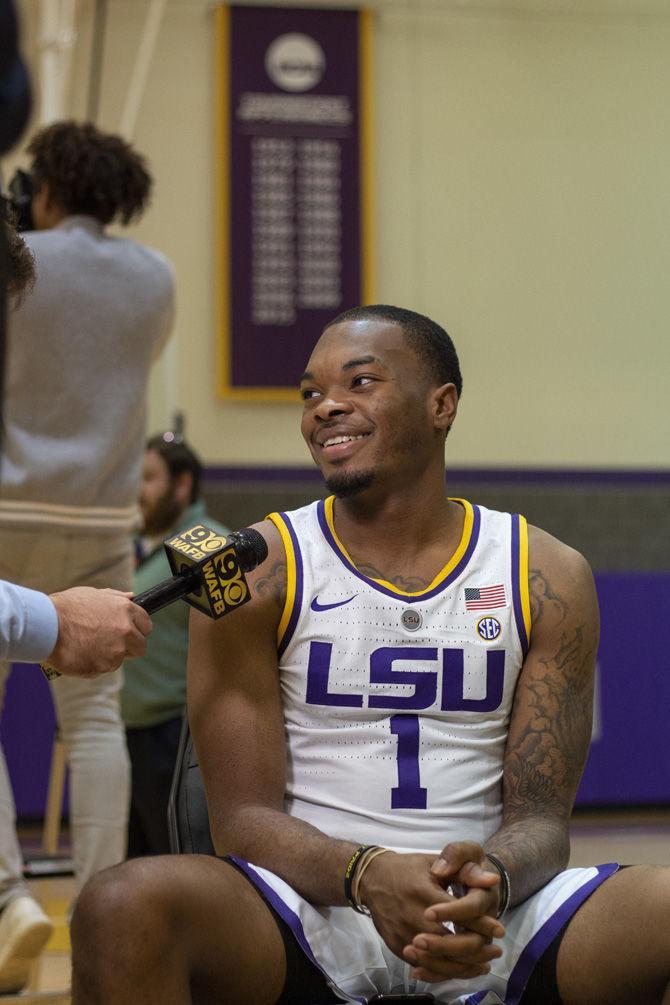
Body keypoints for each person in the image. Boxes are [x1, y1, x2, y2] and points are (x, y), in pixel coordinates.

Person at [70, 305, 670, 1005]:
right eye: (311, 393)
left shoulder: (548, 574)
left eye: (359, 383)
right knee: (119, 902)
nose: (327, 407)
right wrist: (369, 874)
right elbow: (242, 820)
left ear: (442, 404)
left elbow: (541, 819)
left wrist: (488, 881)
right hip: (309, 909)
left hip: (489, 914)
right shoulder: (256, 572)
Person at [0, 118, 174, 993]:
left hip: (5, 504)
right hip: (105, 517)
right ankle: (105, 921)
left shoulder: (20, 252)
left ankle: (6, 899)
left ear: (50, 185)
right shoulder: (156, 278)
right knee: (97, 721)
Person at [122, 432, 229, 857]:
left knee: (180, 868)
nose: (137, 491)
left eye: (147, 478)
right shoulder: (145, 550)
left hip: (177, 740)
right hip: (130, 740)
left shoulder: (212, 545)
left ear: (181, 485)